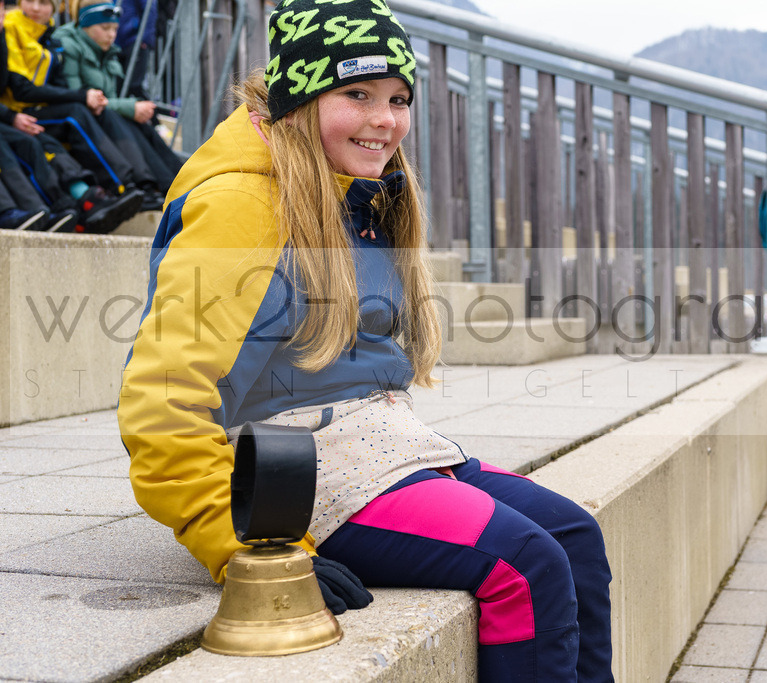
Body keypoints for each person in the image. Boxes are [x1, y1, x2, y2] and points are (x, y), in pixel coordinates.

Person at [116, 0, 613, 679]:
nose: (385, 119)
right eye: (357, 93)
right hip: (286, 469)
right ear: (300, 96)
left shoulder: (357, 187)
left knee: (573, 535)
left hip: (373, 442)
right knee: (522, 566)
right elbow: (162, 400)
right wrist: (242, 547)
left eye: (398, 98)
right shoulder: (242, 206)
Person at [3, 0, 153, 199]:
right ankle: (121, 184)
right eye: (30, 1)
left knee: (103, 115)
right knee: (76, 114)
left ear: (55, 8)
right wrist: (83, 96)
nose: (37, 8)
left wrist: (89, 98)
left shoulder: (49, 33)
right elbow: (22, 89)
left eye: (44, 2)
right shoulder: (11, 27)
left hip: (39, 108)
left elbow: (59, 83)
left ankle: (148, 183)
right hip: (18, 111)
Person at [55, 0, 181, 205]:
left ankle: (176, 183)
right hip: (80, 117)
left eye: (114, 28)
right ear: (86, 25)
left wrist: (133, 109)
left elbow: (108, 99)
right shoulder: (69, 44)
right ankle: (146, 183)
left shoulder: (108, 52)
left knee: (141, 124)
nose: (111, 35)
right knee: (118, 117)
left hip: (100, 114)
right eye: (104, 28)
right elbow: (75, 96)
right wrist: (130, 107)